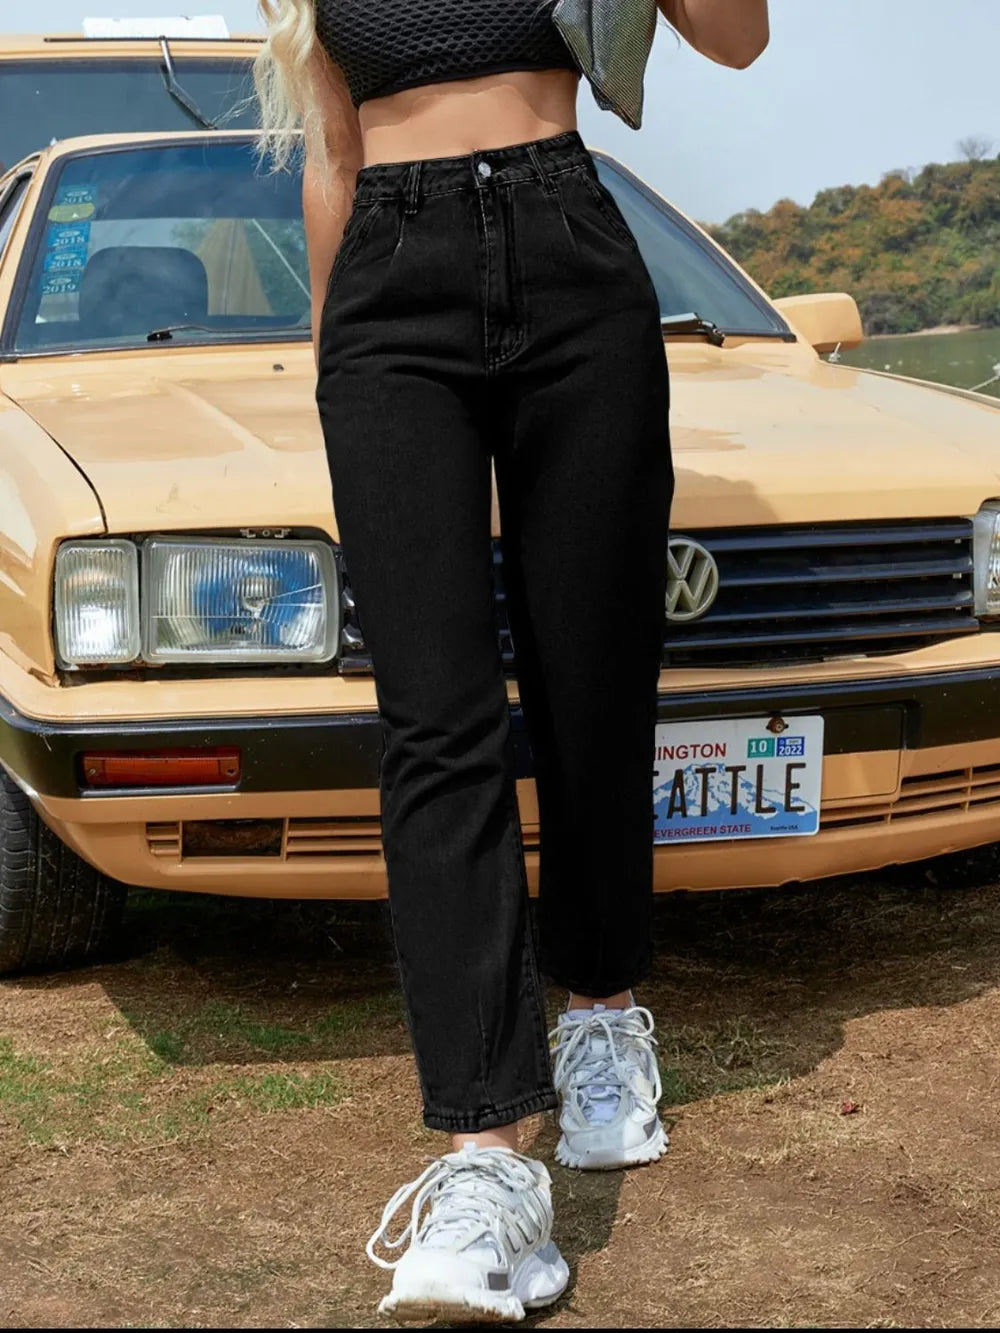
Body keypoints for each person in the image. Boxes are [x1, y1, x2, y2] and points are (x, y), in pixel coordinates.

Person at [255, 0, 769, 1321]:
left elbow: (739, 37)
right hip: (387, 299)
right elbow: (333, 149)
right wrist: (337, 375)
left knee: (592, 688)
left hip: (570, 254)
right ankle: (484, 1161)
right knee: (438, 720)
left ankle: (601, 1020)